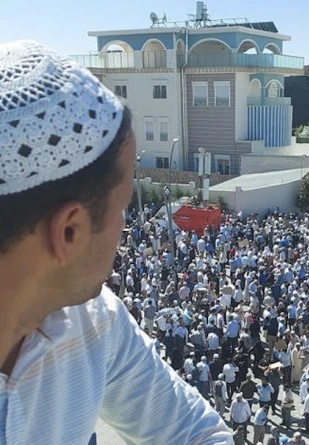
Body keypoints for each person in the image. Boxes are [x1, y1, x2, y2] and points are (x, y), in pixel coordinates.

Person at [0, 41, 232, 443]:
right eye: (123, 207)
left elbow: (195, 432)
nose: (127, 228)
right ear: (69, 232)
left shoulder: (93, 320)